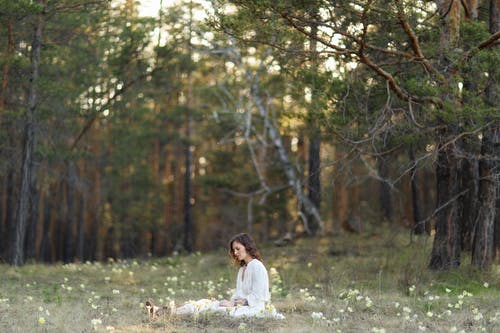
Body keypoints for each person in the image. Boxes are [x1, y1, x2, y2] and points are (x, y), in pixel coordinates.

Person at [145, 233, 284, 319]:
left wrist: (233, 304)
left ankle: (163, 314)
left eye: (238, 249)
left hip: (253, 309)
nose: (235, 253)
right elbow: (238, 294)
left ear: (247, 247)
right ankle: (162, 311)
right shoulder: (242, 269)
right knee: (203, 303)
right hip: (240, 306)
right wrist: (227, 301)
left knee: (213, 309)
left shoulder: (257, 266)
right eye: (233, 250)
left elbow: (258, 297)